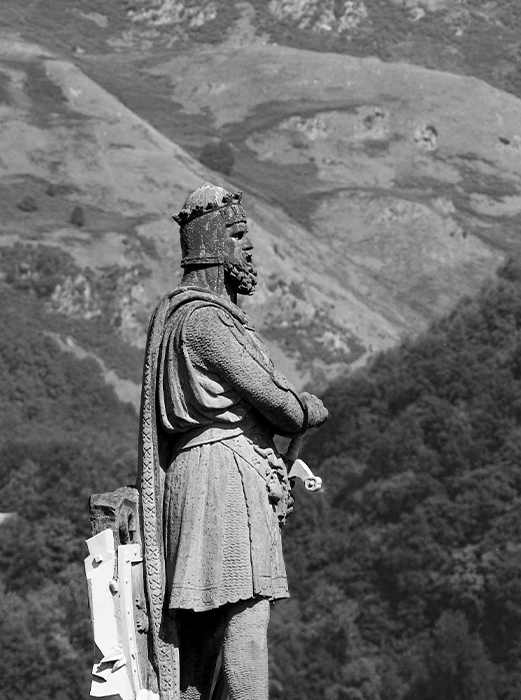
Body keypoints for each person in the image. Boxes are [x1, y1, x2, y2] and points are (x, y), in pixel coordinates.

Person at [137, 183, 328, 700]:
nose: (248, 249)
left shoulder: (197, 320)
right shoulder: (204, 323)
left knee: (204, 632)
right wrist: (307, 407)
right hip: (224, 477)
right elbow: (278, 403)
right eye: (238, 236)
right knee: (244, 615)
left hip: (210, 475)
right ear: (214, 247)